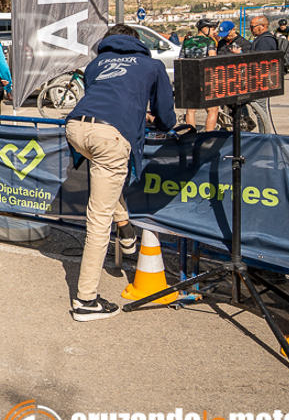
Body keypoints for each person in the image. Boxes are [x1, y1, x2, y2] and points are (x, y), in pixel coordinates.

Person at [64, 24, 177, 321]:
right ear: (136, 42)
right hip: (110, 136)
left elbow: (105, 97)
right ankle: (86, 300)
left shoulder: (96, 64)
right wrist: (155, 121)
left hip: (76, 128)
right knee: (98, 220)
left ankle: (125, 229)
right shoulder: (152, 65)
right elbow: (166, 115)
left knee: (105, 184)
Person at [181, 18, 219, 131]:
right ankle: (209, 135)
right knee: (213, 109)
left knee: (190, 111)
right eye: (213, 29)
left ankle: (191, 135)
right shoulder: (209, 41)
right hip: (206, 79)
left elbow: (181, 60)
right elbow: (213, 60)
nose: (215, 32)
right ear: (205, 29)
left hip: (190, 78)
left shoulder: (187, 42)